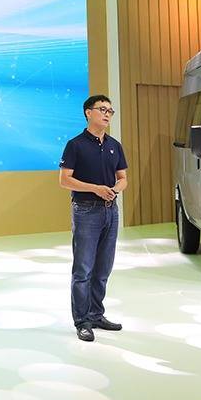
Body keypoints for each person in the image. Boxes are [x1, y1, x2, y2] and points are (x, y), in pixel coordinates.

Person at [58, 94, 128, 341]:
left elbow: (123, 178)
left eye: (110, 111)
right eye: (102, 109)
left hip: (111, 210)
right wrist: (95, 189)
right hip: (86, 210)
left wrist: (114, 189)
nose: (107, 114)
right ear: (88, 112)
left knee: (103, 269)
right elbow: (65, 180)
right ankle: (82, 321)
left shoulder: (114, 145)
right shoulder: (75, 145)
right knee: (83, 270)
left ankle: (97, 314)